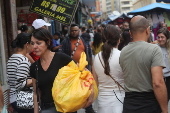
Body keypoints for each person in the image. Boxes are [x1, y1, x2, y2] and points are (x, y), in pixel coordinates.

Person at [30, 28, 93, 113]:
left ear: (48, 42)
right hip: (47, 108)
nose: (35, 47)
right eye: (32, 43)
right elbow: (36, 93)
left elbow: (83, 73)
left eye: (38, 43)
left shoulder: (62, 58)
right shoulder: (34, 67)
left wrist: (91, 92)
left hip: (66, 108)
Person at [119, 15, 168, 113]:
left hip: (129, 104)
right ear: (147, 30)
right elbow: (158, 83)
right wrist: (165, 110)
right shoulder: (154, 49)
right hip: (149, 104)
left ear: (130, 33)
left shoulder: (123, 51)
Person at [59, 24, 94, 113]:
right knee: (72, 91)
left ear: (79, 31)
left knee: (86, 90)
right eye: (72, 30)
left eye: (75, 30)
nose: (74, 32)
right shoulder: (65, 41)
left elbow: (89, 54)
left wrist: (91, 67)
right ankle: (73, 109)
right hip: (71, 71)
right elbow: (61, 55)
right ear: (69, 31)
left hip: (83, 71)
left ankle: (89, 109)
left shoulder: (84, 40)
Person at [93, 25, 124, 113]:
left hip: (102, 101)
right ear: (118, 39)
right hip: (120, 99)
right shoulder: (122, 55)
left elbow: (95, 82)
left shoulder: (96, 57)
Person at [6, 33, 33, 113]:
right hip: (24, 100)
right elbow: (20, 84)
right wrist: (35, 80)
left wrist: (9, 101)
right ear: (27, 44)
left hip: (14, 99)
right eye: (32, 43)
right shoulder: (23, 60)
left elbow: (10, 82)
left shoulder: (11, 58)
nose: (33, 46)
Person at [157, 28, 170, 102]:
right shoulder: (155, 48)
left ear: (167, 38)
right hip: (159, 78)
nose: (160, 39)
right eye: (158, 37)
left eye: (162, 37)